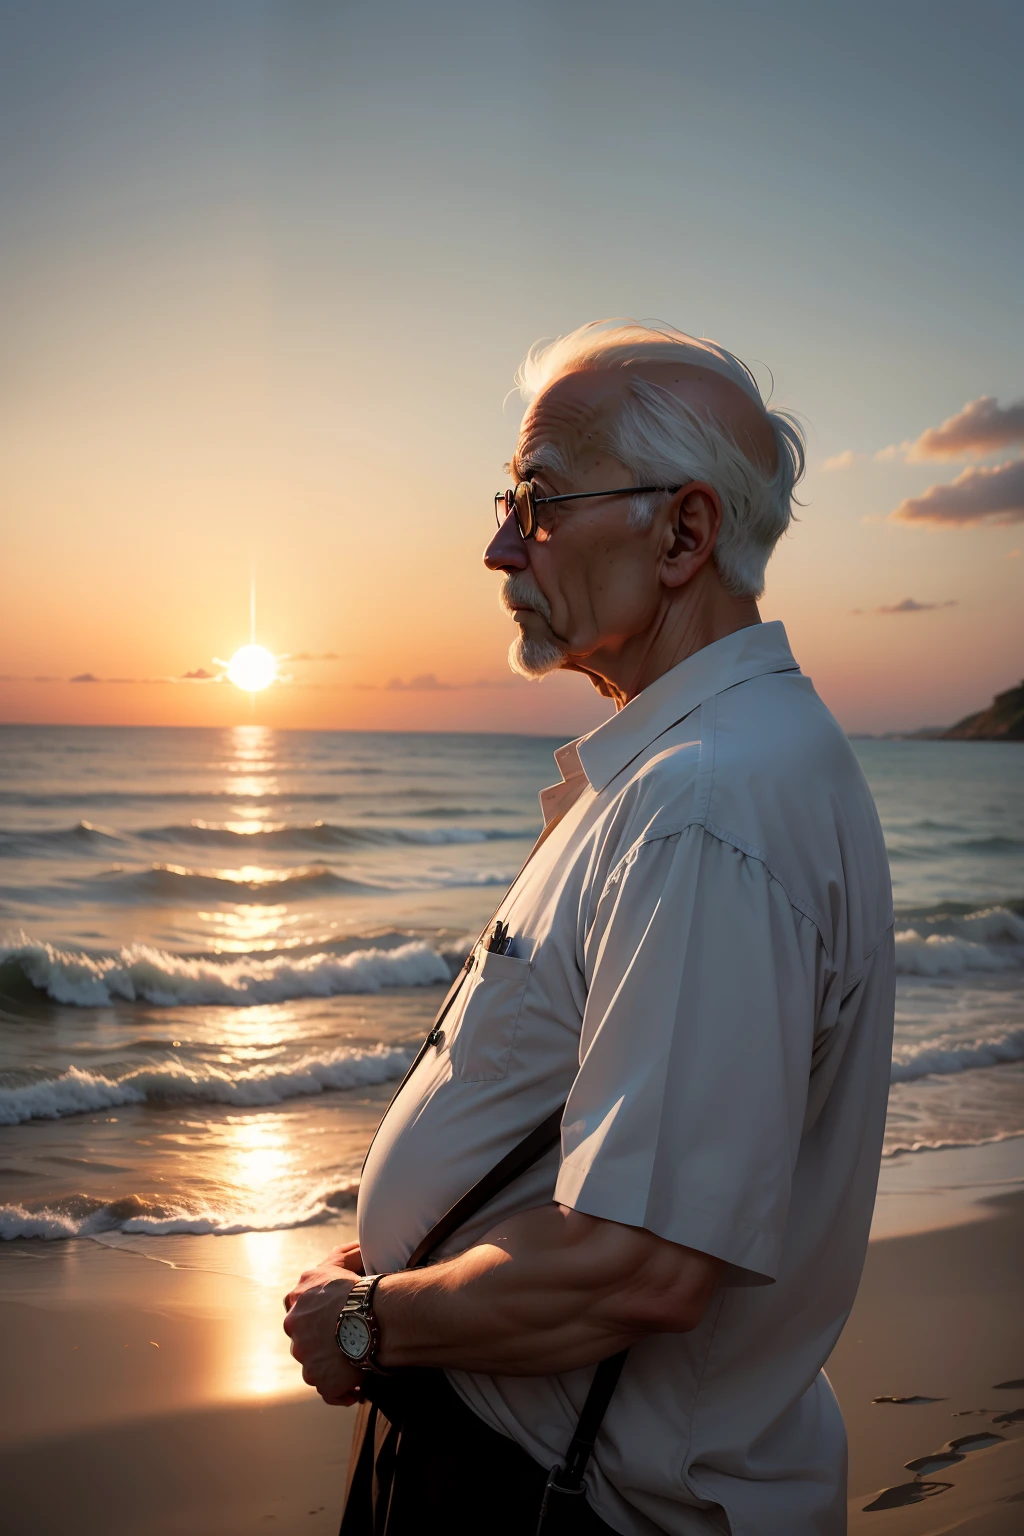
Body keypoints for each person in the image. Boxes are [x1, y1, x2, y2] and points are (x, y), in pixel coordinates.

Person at [284, 320, 896, 1535]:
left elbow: (643, 1264)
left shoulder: (704, 807)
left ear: (683, 534)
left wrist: (374, 1322)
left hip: (577, 1504)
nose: (499, 544)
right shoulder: (693, 774)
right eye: (510, 500)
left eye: (540, 501)